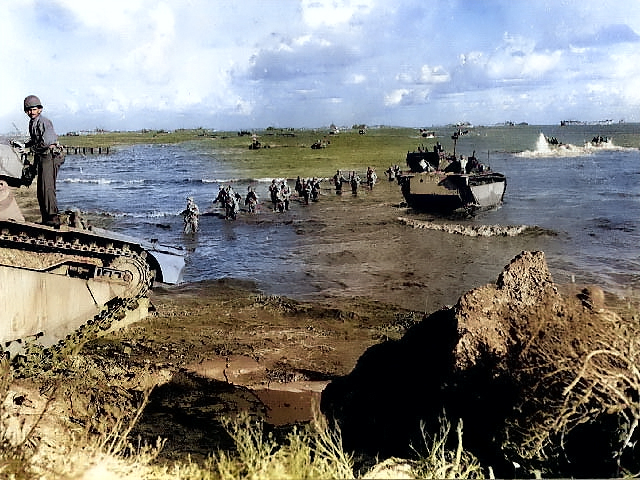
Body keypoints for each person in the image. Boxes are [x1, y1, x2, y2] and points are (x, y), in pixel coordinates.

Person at [22, 95, 65, 227]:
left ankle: (53, 218)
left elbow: (46, 142)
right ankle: (46, 217)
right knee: (41, 189)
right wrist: (25, 145)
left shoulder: (44, 122)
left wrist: (32, 148)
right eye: (28, 110)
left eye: (34, 109)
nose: (31, 112)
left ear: (40, 109)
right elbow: (36, 140)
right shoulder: (32, 123)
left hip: (51, 156)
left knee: (47, 187)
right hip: (42, 156)